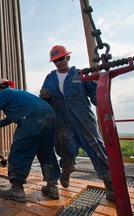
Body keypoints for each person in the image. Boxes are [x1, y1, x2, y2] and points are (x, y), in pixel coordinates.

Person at [39, 45, 113, 201]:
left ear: (68, 58)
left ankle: (110, 186)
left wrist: (103, 99)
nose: (58, 62)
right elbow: (44, 99)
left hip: (84, 120)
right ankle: (67, 170)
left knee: (97, 149)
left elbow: (95, 94)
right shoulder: (49, 78)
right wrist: (44, 96)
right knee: (65, 151)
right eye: (55, 61)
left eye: (61, 59)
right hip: (62, 123)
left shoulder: (80, 74)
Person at [0, 78, 61, 203]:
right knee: (46, 152)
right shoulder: (18, 95)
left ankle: (17, 189)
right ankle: (52, 186)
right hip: (49, 115)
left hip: (31, 118)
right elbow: (10, 118)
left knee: (20, 151)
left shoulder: (4, 93)